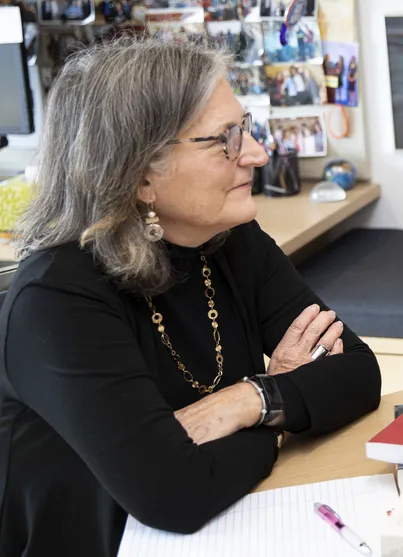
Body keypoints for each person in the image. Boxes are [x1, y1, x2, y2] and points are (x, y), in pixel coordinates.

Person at [0, 39, 383, 556]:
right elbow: (171, 492)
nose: (256, 153)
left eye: (244, 128)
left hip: (224, 521)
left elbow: (357, 372)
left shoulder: (227, 238)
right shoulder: (58, 297)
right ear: (139, 176)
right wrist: (283, 414)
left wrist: (253, 399)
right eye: (224, 140)